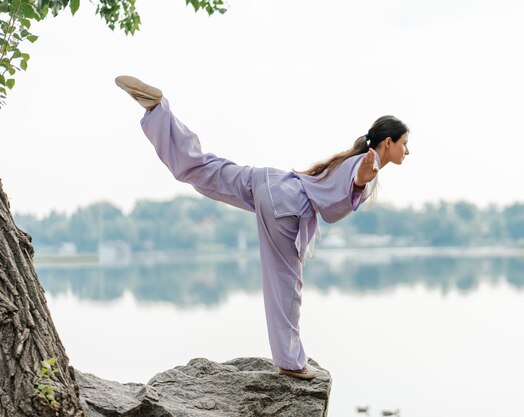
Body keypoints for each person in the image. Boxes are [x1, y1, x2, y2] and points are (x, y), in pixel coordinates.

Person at [115, 75, 410, 380]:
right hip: (287, 205)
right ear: (389, 142)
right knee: (285, 284)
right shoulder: (367, 164)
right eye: (405, 144)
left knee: (204, 169)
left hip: (270, 182)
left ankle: (158, 112)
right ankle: (291, 362)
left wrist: (360, 177)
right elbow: (343, 199)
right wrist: (362, 179)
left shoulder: (359, 158)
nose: (407, 151)